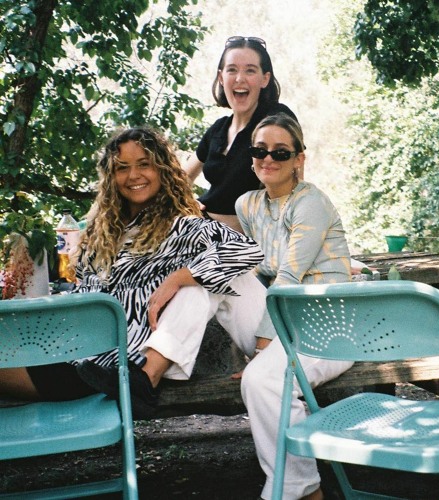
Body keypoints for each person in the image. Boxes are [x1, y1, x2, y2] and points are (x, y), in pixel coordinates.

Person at [0, 126, 275, 419]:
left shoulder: (183, 226)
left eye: (144, 164)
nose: (133, 175)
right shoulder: (100, 233)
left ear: (162, 170)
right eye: (122, 167)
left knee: (207, 282)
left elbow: (247, 251)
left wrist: (178, 278)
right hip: (70, 350)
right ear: (111, 176)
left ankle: (150, 377)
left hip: (114, 366)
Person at [235, 113, 354, 500]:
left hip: (329, 327)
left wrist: (263, 347)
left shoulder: (310, 203)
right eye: (260, 150)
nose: (268, 159)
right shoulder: (247, 205)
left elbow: (286, 278)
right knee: (222, 278)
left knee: (262, 380)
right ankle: (154, 362)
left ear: (299, 159)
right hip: (287, 322)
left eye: (280, 152)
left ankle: (298, 489)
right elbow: (257, 273)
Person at [184, 36, 298, 232]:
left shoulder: (276, 118)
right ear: (221, 77)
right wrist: (186, 202)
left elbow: (294, 184)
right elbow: (178, 180)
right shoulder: (218, 129)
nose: (239, 78)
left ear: (265, 79)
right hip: (199, 229)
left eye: (250, 70)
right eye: (232, 70)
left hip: (247, 239)